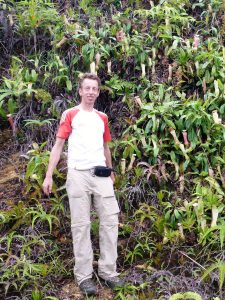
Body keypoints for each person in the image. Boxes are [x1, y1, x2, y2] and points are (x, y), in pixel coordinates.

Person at [42, 73, 124, 296]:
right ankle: (84, 276)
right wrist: (49, 175)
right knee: (81, 226)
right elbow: (58, 145)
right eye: (86, 88)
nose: (90, 92)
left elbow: (106, 147)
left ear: (98, 92)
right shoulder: (70, 114)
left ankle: (108, 271)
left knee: (109, 221)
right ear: (80, 91)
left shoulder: (102, 118)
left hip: (101, 175)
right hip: (77, 175)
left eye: (94, 89)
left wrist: (111, 170)